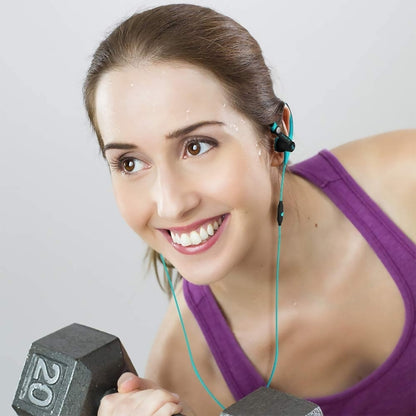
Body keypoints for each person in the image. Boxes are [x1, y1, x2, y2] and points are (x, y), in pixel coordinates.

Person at [83, 4, 416, 416]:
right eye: (130, 163)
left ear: (277, 136)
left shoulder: (407, 185)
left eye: (196, 146)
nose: (171, 203)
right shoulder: (182, 381)